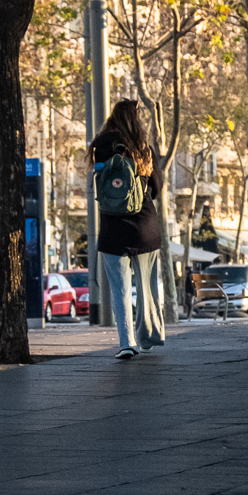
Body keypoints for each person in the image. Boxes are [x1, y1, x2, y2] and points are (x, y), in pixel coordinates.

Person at [89, 98, 166, 360]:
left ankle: (127, 342)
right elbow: (156, 186)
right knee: (146, 287)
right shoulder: (143, 148)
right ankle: (147, 337)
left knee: (120, 289)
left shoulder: (101, 144)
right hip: (144, 224)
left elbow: (99, 183)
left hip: (112, 226)